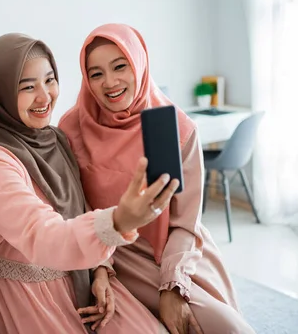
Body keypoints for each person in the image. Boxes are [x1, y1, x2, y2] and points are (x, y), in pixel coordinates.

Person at [0, 33, 176, 333]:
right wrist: (117, 221)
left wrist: (101, 271)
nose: (44, 96)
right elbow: (40, 234)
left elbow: (79, 207)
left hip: (84, 271)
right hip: (29, 292)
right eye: (26, 87)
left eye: (49, 80)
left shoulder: (56, 138)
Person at [59, 23, 256, 334]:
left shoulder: (175, 128)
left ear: (139, 64)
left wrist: (173, 285)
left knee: (229, 329)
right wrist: (100, 269)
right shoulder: (72, 128)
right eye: (96, 73)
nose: (109, 82)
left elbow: (185, 221)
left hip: (177, 246)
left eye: (120, 66)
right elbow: (76, 210)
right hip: (115, 251)